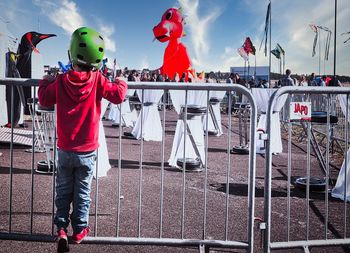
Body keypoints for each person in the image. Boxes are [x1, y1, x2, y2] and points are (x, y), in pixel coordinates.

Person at [38, 27, 127, 253]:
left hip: (65, 148)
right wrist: (121, 80)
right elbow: (118, 95)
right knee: (82, 192)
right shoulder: (97, 80)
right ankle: (79, 230)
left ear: (71, 53)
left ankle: (60, 229)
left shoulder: (60, 81)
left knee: (63, 190)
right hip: (87, 151)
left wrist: (45, 81)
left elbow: (44, 98)